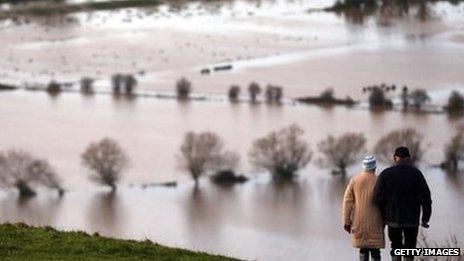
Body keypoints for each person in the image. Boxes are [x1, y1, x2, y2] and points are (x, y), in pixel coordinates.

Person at [373, 147, 432, 261]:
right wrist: (425, 218)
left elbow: (377, 198)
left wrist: (384, 215)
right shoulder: (416, 174)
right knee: (409, 248)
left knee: (395, 246)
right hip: (411, 220)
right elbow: (426, 197)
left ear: (395, 158)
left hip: (393, 220)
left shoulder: (386, 174)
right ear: (408, 158)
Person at [342, 155, 385, 261]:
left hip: (359, 221)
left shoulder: (355, 181)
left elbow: (347, 202)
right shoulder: (380, 181)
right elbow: (386, 202)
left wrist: (346, 222)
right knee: (375, 250)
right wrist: (387, 220)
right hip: (376, 221)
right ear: (374, 167)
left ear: (363, 167)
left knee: (363, 248)